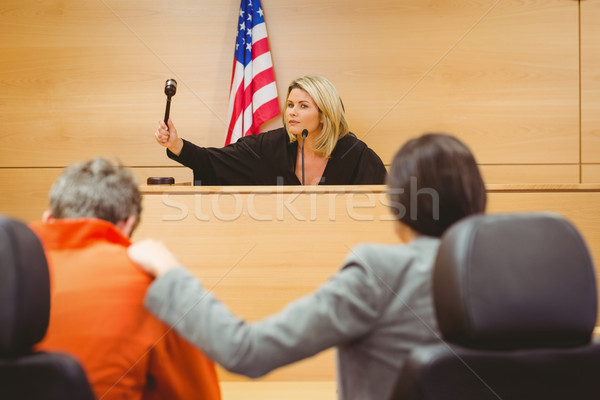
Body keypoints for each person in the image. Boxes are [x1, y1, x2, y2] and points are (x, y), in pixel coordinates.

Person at [129, 133, 487, 400]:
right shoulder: (523, 274)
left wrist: (171, 274)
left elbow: (245, 351)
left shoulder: (381, 272)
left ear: (396, 205)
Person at [29, 158, 221, 400]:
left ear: (48, 218)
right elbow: (199, 394)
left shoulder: (11, 271)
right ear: (128, 223)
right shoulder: (155, 286)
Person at [155, 75, 387, 185]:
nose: (292, 112)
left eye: (303, 106)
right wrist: (176, 144)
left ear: (325, 115)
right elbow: (214, 161)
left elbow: (386, 201)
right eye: (290, 105)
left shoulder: (354, 154)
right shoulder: (268, 147)